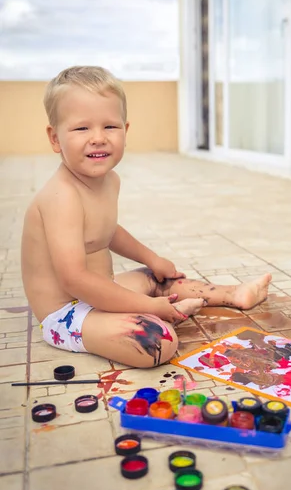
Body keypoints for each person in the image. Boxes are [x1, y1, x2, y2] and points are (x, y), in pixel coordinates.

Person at [21, 66, 272, 368]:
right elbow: (74, 280)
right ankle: (150, 315)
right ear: (55, 138)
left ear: (126, 131)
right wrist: (149, 307)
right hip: (67, 313)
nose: (98, 138)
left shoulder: (109, 181)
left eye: (110, 127)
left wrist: (151, 258)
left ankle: (234, 294)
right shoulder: (61, 197)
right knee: (157, 341)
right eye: (81, 128)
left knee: (156, 277)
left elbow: (107, 231)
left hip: (101, 291)